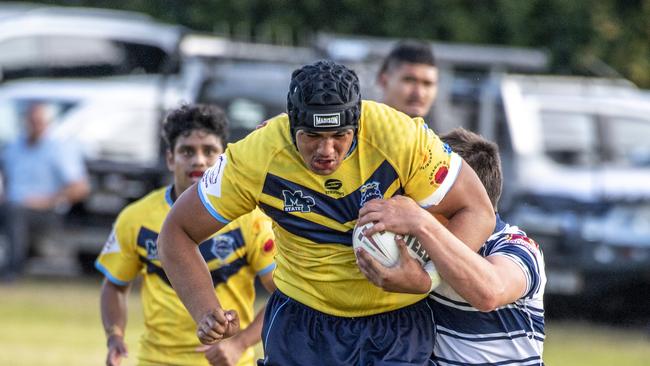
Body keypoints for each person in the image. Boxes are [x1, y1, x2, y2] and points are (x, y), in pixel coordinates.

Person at [157, 60, 495, 366]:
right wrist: (204, 309)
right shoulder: (256, 156)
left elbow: (477, 210)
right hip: (303, 323)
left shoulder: (400, 137)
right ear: (291, 126)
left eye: (339, 136)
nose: (326, 151)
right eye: (312, 136)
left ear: (357, 125)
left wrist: (428, 277)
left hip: (397, 324)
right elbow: (177, 232)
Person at [95, 104, 276, 366]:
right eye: (187, 151)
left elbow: (283, 293)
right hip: (157, 360)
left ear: (224, 156)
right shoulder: (136, 217)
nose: (198, 160)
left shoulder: (251, 219)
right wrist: (114, 336)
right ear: (170, 158)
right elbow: (114, 285)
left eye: (209, 151)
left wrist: (239, 343)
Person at [356, 127, 546, 365]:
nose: (417, 202)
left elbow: (489, 292)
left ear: (456, 198)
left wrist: (421, 222)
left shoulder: (516, 247)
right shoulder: (418, 247)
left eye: (426, 192)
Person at [0, 102, 89, 280]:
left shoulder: (59, 149)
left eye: (39, 121)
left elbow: (80, 188)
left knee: (15, 212)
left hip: (46, 209)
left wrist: (47, 200)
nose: (35, 125)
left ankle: (11, 271)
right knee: (13, 209)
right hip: (12, 204)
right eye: (32, 121)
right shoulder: (14, 148)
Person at [377, 40, 438, 119]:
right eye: (409, 81)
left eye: (427, 84)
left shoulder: (433, 131)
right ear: (384, 81)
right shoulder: (360, 128)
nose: (419, 93)